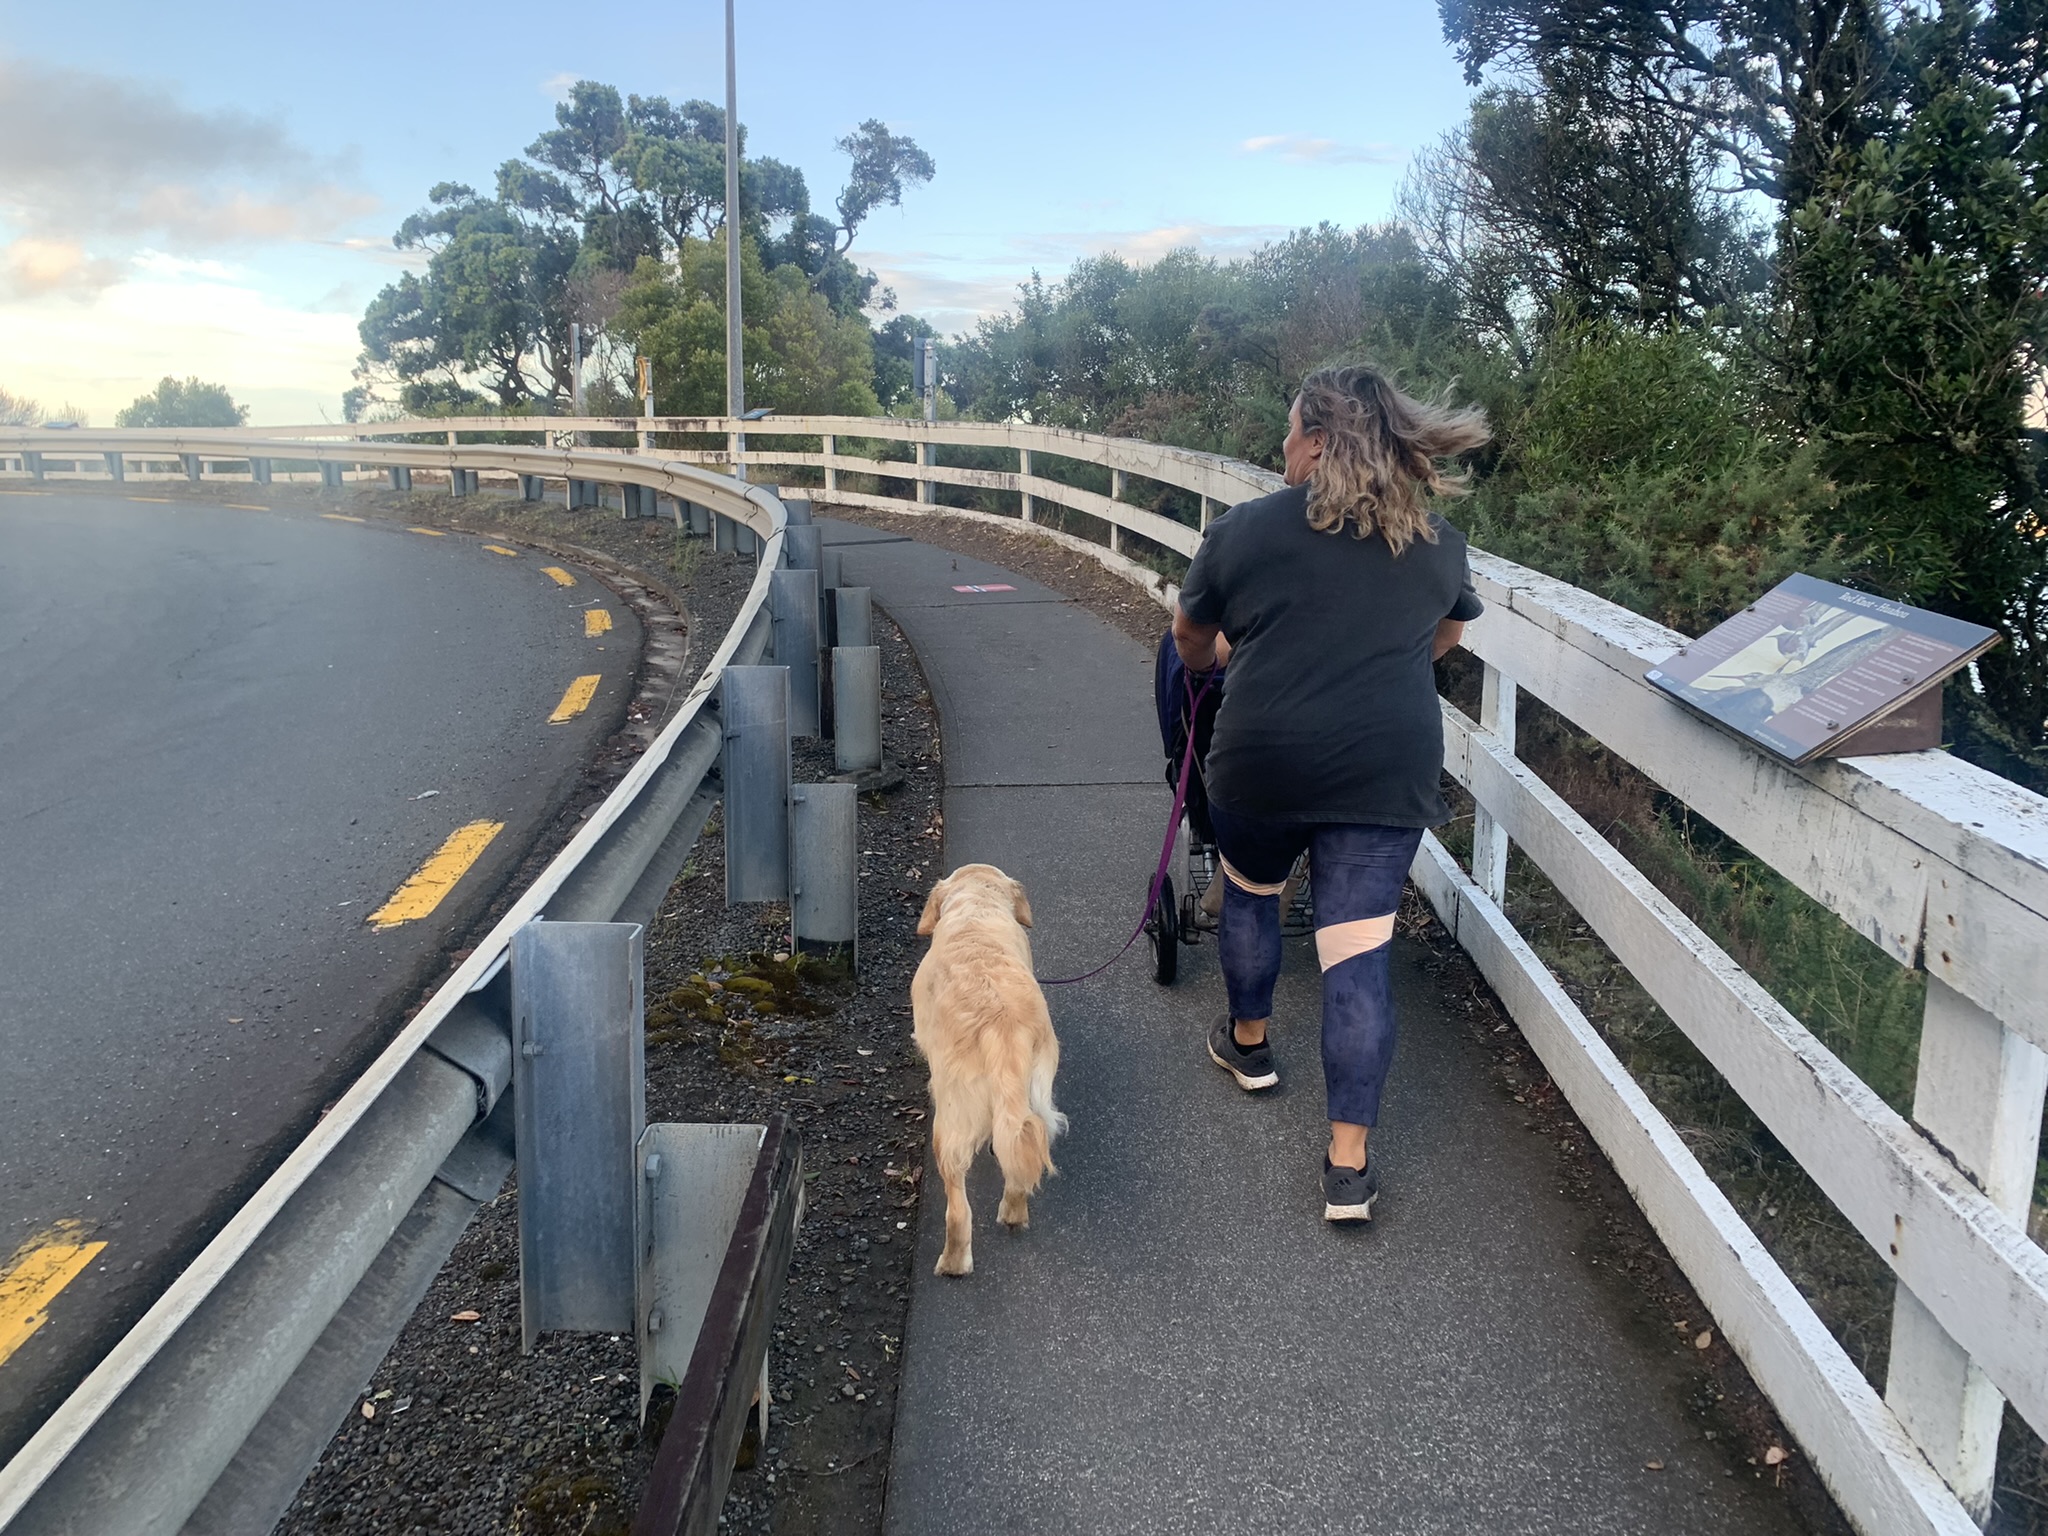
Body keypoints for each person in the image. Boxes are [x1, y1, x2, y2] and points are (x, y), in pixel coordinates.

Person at [1172, 363, 1490, 1222]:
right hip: (1384, 765)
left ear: (1318, 438)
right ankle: (1347, 1165)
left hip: (1265, 757)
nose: (1281, 447)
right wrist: (1375, 670)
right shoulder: (1434, 539)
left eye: (1289, 431)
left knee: (1250, 893)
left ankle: (1249, 1047)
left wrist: (1213, 669)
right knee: (1357, 956)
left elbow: (1191, 635)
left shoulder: (1245, 529)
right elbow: (1447, 630)